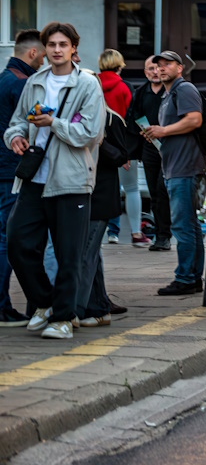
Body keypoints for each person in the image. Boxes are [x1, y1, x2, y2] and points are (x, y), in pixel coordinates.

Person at [4, 22, 107, 340]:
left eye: (64, 44)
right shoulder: (34, 82)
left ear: (74, 48)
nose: (58, 50)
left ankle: (63, 318)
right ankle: (45, 303)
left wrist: (54, 123)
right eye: (52, 44)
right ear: (44, 48)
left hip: (72, 179)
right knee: (17, 242)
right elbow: (15, 123)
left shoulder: (88, 85)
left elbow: (89, 133)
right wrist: (16, 138)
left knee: (68, 253)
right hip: (35, 178)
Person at [141, 51, 206, 296]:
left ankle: (186, 278)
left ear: (180, 68)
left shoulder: (184, 89)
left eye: (167, 64)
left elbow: (194, 120)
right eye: (158, 65)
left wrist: (163, 130)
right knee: (188, 225)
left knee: (182, 226)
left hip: (185, 168)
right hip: (174, 167)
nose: (161, 68)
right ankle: (192, 277)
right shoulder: (169, 95)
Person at [77, 104, 135, 327]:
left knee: (86, 253)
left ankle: (79, 309)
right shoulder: (75, 116)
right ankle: (99, 306)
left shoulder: (112, 120)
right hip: (79, 192)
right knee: (91, 254)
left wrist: (99, 142)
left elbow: (122, 156)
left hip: (101, 195)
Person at [0, 29, 44, 327]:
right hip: (11, 170)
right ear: (32, 53)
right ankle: (2, 306)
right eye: (44, 52)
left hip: (2, 168)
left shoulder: (4, 78)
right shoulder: (23, 83)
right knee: (7, 238)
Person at [96, 50, 148, 247]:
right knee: (131, 188)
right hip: (124, 147)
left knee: (101, 188)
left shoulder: (93, 84)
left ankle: (104, 233)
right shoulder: (125, 87)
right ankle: (136, 233)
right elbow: (134, 118)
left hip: (98, 145)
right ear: (119, 64)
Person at [127, 56, 171, 250]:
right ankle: (160, 237)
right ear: (145, 72)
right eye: (150, 69)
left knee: (164, 190)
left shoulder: (171, 92)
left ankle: (165, 235)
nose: (155, 72)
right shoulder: (140, 93)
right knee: (154, 193)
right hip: (149, 148)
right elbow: (132, 117)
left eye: (158, 68)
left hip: (171, 149)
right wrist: (141, 130)